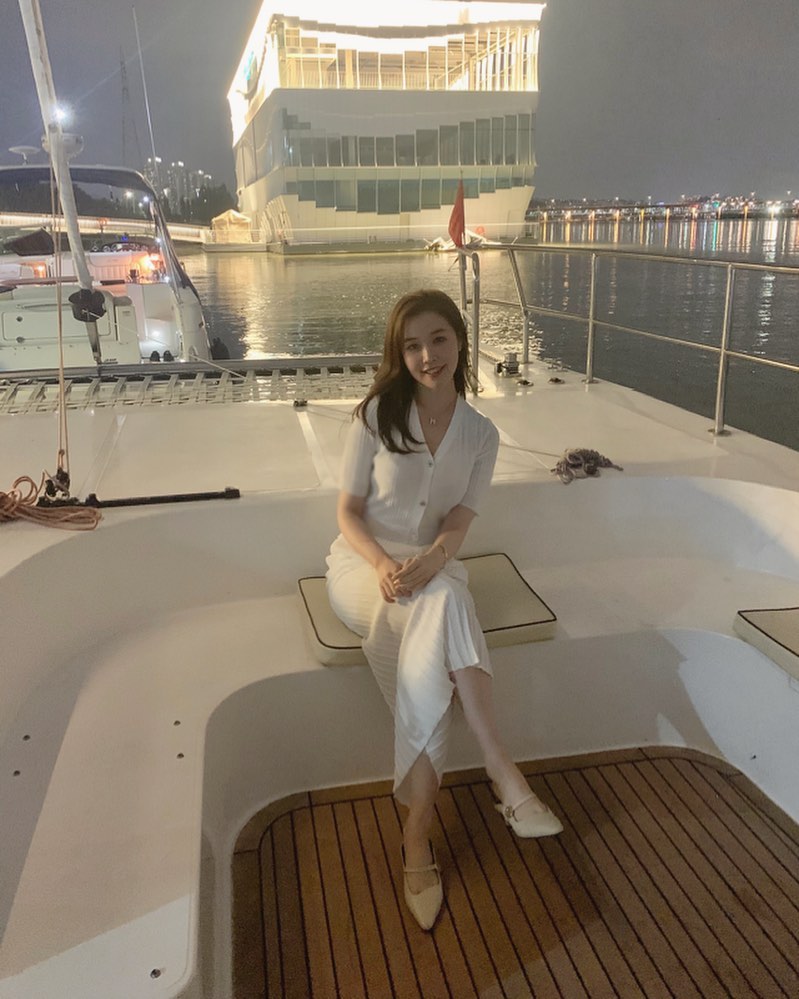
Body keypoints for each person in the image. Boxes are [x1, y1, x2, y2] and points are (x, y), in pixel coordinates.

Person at [326, 289, 562, 931]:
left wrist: (433, 558)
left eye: (438, 340)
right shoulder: (375, 417)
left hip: (434, 567)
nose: (427, 356)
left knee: (442, 608)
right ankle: (500, 769)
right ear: (398, 355)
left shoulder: (481, 434)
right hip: (363, 569)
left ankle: (417, 840)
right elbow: (348, 513)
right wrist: (382, 564)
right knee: (449, 605)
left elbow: (460, 517)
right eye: (412, 346)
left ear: (459, 340)